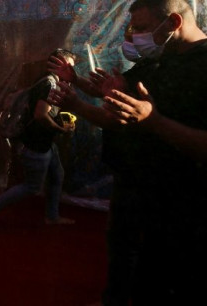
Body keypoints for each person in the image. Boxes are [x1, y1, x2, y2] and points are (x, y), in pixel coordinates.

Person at [49, 0, 207, 305]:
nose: (135, 36)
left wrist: (153, 121)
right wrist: (102, 97)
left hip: (202, 221)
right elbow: (129, 117)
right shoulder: (163, 67)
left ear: (173, 22)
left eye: (140, 28)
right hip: (160, 215)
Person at [49, 26, 157, 305]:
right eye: (129, 31)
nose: (129, 38)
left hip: (141, 170)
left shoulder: (154, 72)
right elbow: (105, 97)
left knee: (127, 243)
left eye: (137, 30)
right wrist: (76, 81)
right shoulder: (141, 69)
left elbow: (115, 116)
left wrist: (75, 103)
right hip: (130, 169)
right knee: (127, 241)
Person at [0, 48, 77, 228]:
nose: (72, 73)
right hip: (36, 144)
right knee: (32, 186)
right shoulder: (50, 84)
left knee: (57, 175)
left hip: (46, 143)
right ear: (57, 65)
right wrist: (60, 128)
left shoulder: (47, 80)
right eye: (69, 67)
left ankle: (51, 216)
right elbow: (40, 115)